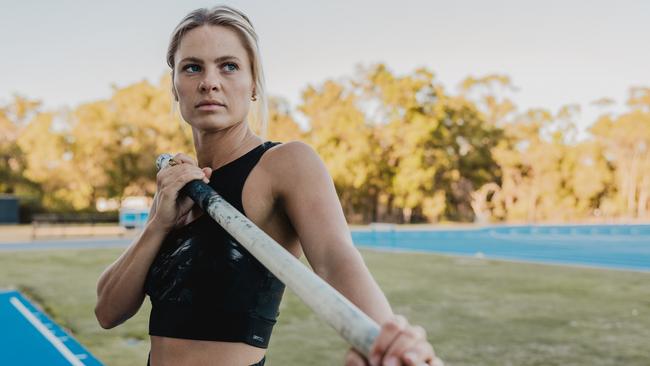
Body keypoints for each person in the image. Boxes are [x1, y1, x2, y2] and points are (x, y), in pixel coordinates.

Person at [95, 5, 439, 366]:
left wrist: (389, 340)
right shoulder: (178, 187)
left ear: (254, 83)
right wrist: (158, 223)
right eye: (192, 67)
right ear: (175, 87)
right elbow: (107, 311)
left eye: (229, 66)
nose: (209, 82)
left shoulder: (285, 164)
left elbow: (335, 261)